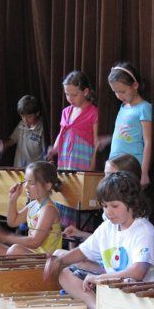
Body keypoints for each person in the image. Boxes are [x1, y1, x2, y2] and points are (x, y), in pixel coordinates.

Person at [44, 171, 154, 309]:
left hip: (146, 292)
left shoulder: (144, 231)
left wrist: (99, 278)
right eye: (105, 206)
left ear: (132, 203)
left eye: (114, 206)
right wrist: (59, 261)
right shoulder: (107, 227)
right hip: (116, 286)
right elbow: (82, 252)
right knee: (65, 274)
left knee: (130, 281)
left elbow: (138, 272)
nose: (108, 212)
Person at [45, 70, 99, 227]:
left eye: (74, 95)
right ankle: (65, 236)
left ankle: (78, 237)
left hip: (81, 162)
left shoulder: (93, 112)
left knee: (79, 200)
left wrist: (92, 167)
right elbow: (62, 133)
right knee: (65, 194)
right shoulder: (66, 111)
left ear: (86, 92)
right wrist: (54, 149)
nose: (70, 98)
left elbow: (96, 142)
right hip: (65, 162)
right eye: (67, 94)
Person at [0, 161, 62, 255]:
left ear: (47, 186)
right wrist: (13, 200)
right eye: (25, 181)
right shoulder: (33, 205)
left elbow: (35, 242)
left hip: (46, 259)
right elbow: (12, 222)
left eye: (31, 183)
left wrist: (6, 237)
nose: (26, 186)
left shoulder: (49, 210)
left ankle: (1, 263)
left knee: (15, 250)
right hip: (30, 255)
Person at [62, 153, 142, 241]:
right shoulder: (112, 214)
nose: (104, 180)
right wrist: (80, 234)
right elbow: (105, 240)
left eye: (110, 175)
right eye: (105, 174)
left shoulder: (136, 223)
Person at [107, 62, 153, 187]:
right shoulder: (123, 107)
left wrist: (144, 173)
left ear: (135, 85)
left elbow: (148, 142)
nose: (118, 96)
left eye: (122, 91)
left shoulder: (144, 108)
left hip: (131, 165)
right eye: (115, 92)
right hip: (114, 165)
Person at [0, 95, 45, 168]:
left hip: (35, 170)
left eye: (29, 117)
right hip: (18, 168)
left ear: (37, 113)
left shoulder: (42, 128)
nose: (25, 120)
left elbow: (45, 152)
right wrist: (3, 146)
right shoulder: (21, 124)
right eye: (22, 116)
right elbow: (13, 140)